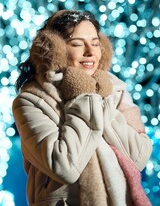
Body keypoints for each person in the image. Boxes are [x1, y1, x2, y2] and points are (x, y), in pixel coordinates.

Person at [12, 10, 152, 206]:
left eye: (95, 43)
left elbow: (139, 157)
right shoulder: (32, 101)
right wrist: (84, 97)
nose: (90, 51)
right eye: (77, 44)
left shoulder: (115, 89)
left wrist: (100, 98)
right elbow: (65, 167)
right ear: (55, 49)